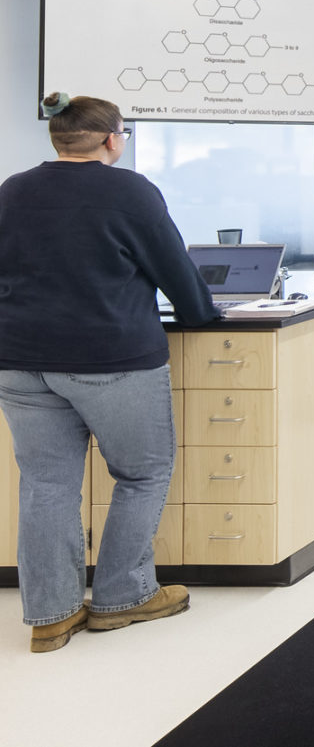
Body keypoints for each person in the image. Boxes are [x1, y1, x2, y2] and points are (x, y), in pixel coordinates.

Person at [0, 94, 216, 652]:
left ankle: (51, 616)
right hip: (109, 359)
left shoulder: (13, 190)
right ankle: (123, 596)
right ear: (111, 139)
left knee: (46, 484)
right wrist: (202, 315)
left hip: (20, 360)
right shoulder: (129, 190)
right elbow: (173, 267)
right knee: (142, 473)